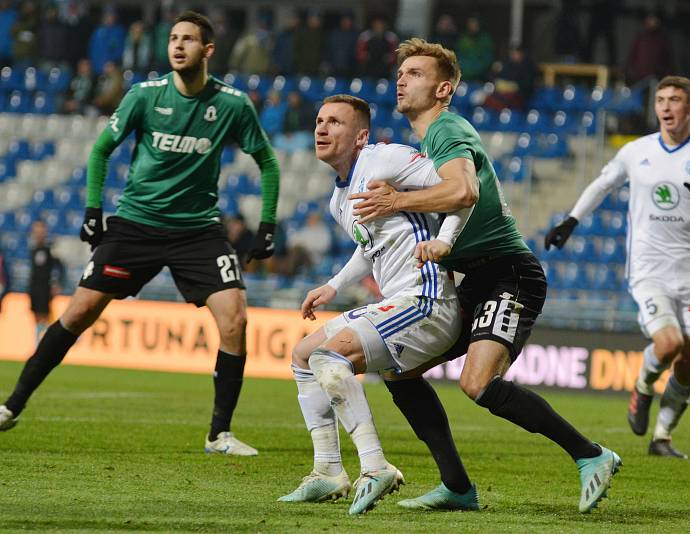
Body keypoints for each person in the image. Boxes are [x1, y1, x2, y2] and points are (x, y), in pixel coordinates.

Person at [350, 38, 621, 513]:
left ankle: (591, 454)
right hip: (469, 281)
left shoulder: (447, 129)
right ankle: (456, 486)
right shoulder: (427, 141)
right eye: (401, 72)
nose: (402, 78)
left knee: (477, 384)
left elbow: (463, 190)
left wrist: (396, 200)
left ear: (444, 89)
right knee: (400, 369)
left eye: (415, 73)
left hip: (507, 274)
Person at [0, 12, 281, 458]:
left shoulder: (232, 104)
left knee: (236, 318)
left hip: (198, 231)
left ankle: (219, 434)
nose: (178, 45)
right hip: (136, 224)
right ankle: (11, 406)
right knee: (79, 312)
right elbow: (101, 150)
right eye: (173, 38)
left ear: (208, 50)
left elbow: (267, 161)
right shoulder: (144, 96)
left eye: (189, 39)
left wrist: (266, 224)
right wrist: (94, 209)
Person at [279, 94, 472, 514]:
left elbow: (459, 193)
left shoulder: (384, 159)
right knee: (303, 355)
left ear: (360, 136)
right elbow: (371, 247)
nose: (321, 128)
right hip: (399, 302)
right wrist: (332, 285)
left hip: (428, 299)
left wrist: (444, 240)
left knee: (331, 357)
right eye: (319, 120)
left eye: (334, 122)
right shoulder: (337, 200)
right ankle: (328, 470)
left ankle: (375, 466)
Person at [545, 75, 690, 459]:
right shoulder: (637, 151)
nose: (665, 107)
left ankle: (662, 437)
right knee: (668, 344)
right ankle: (643, 387)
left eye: (674, 100)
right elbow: (602, 184)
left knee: (687, 356)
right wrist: (572, 220)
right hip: (650, 270)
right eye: (660, 99)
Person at [28, 220, 64, 342]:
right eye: (36, 230)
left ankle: (46, 343)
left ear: (45, 231)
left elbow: (60, 266)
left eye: (40, 229)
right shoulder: (33, 248)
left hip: (45, 288)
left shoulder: (50, 249)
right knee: (36, 316)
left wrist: (58, 283)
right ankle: (39, 342)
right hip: (34, 288)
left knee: (45, 316)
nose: (38, 232)